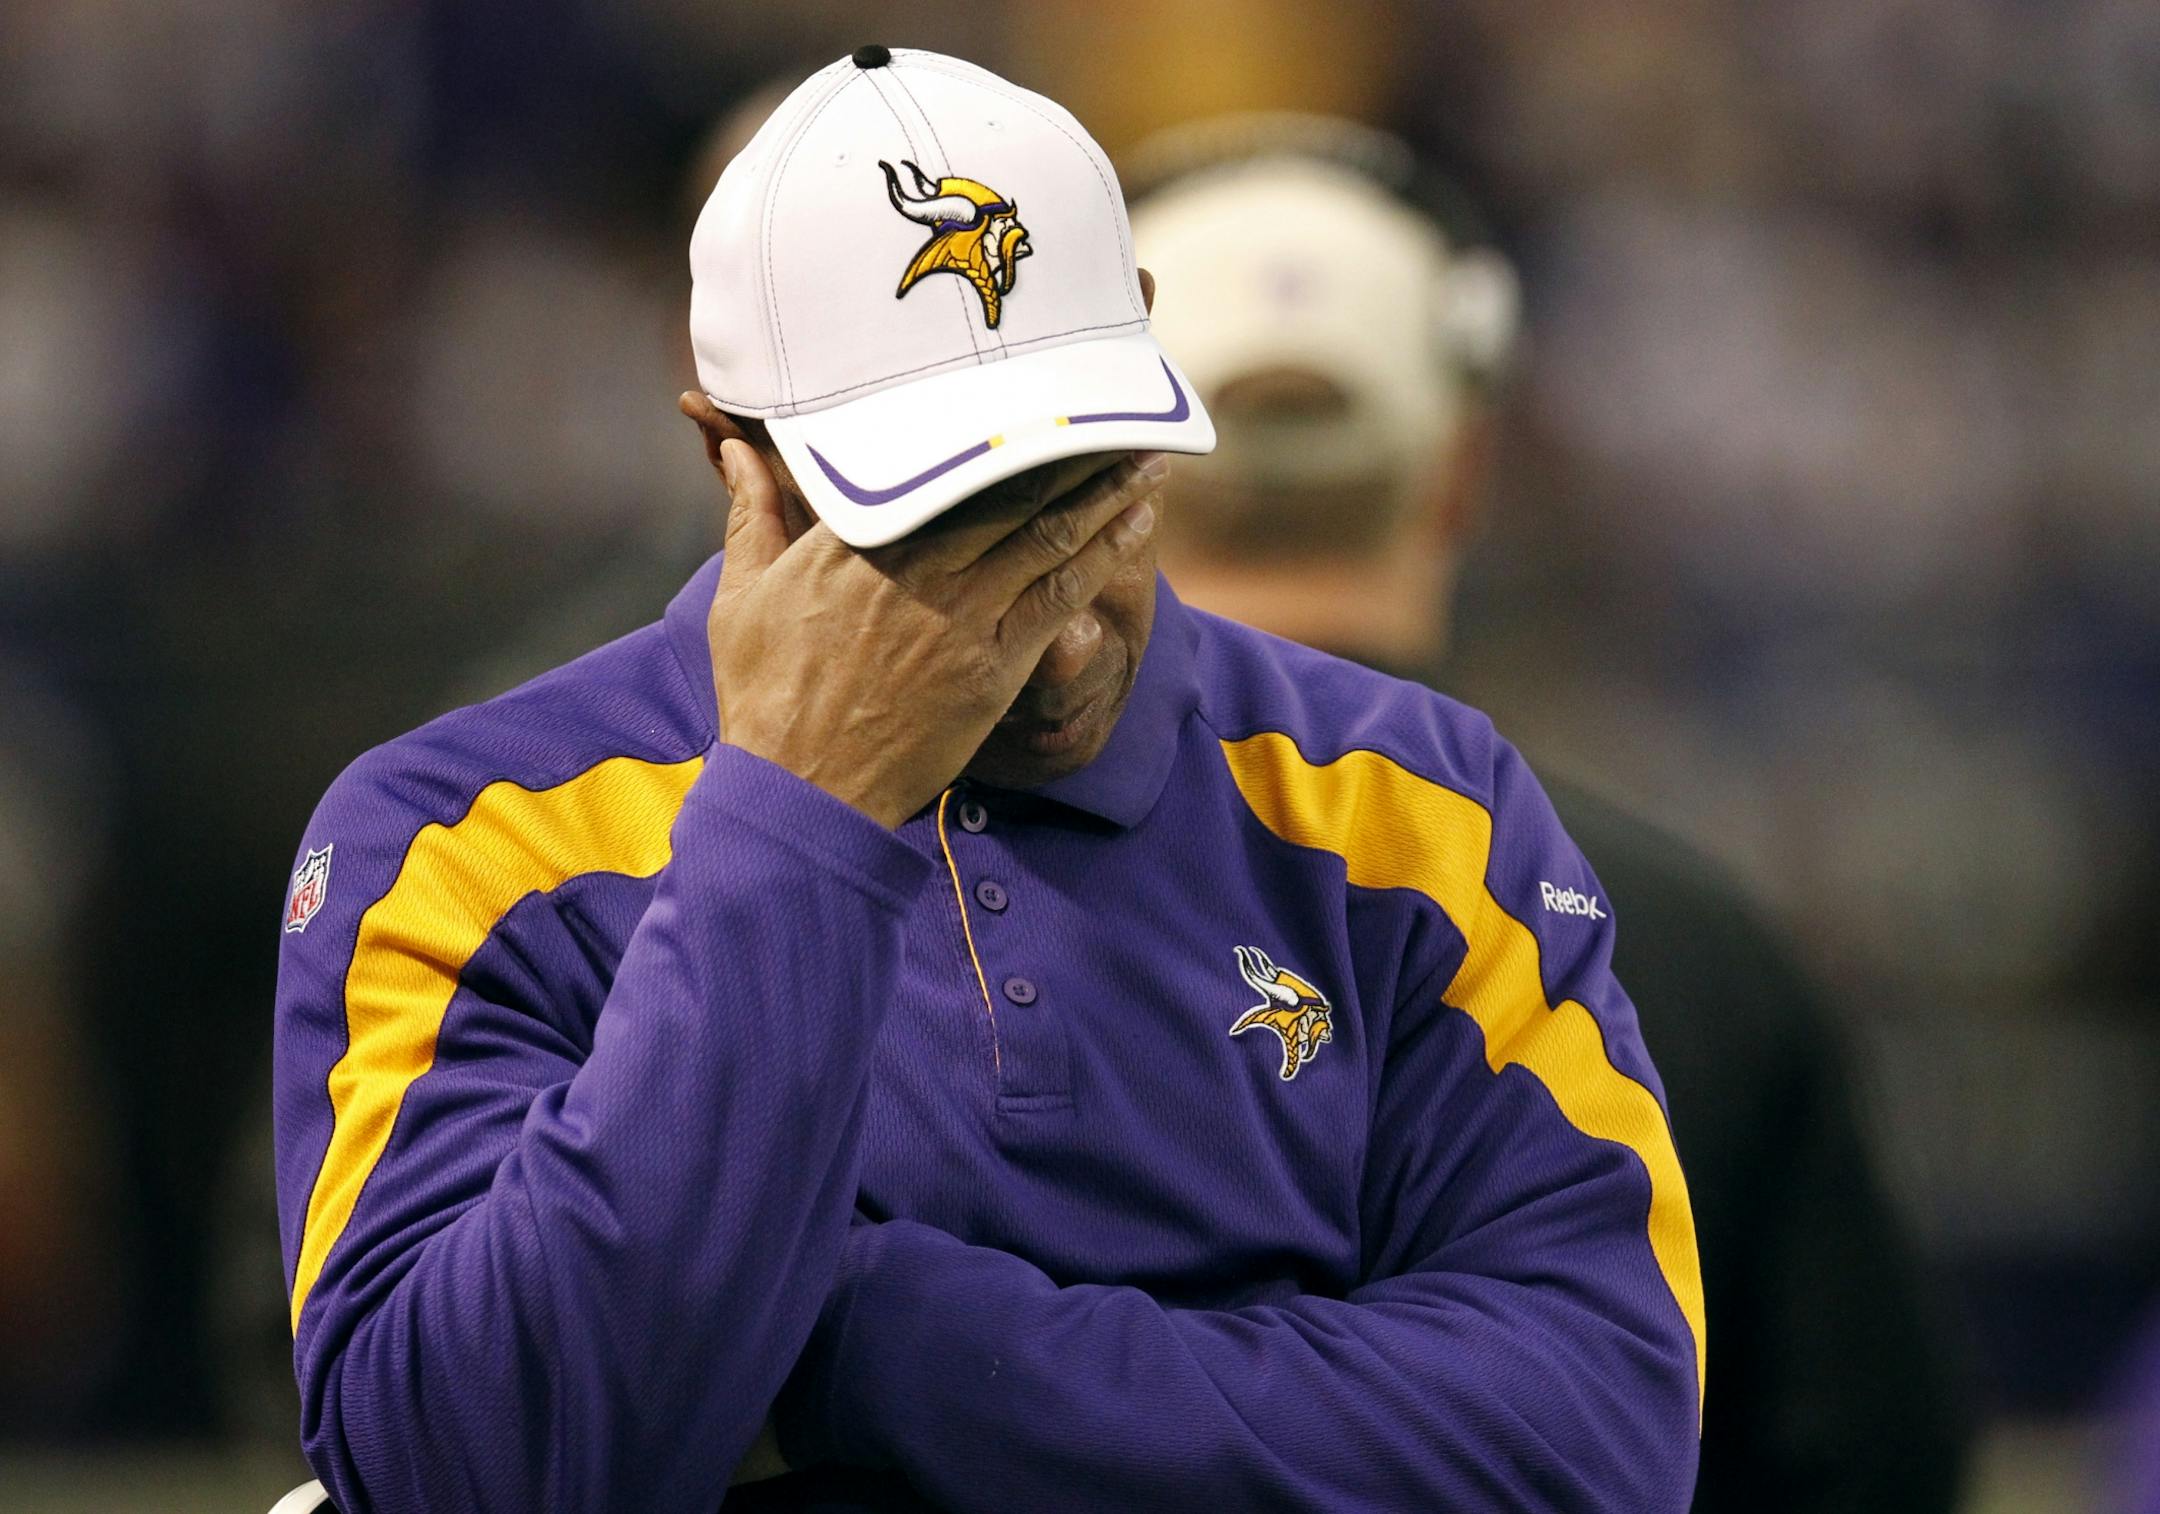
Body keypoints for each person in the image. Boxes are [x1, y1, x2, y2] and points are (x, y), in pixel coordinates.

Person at [273, 50, 1701, 1513]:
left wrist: (851, 1338)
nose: (1060, 628)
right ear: (739, 464)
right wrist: (796, 816)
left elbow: (1599, 1437)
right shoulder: (469, 837)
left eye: (1084, 486)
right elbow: (460, 1466)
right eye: (946, 520)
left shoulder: (1414, 806)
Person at [1131, 113, 1968, 1514]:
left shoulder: (915, 892)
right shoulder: (1693, 943)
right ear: (1465, 470)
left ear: (1111, 473)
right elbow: (1865, 1464)